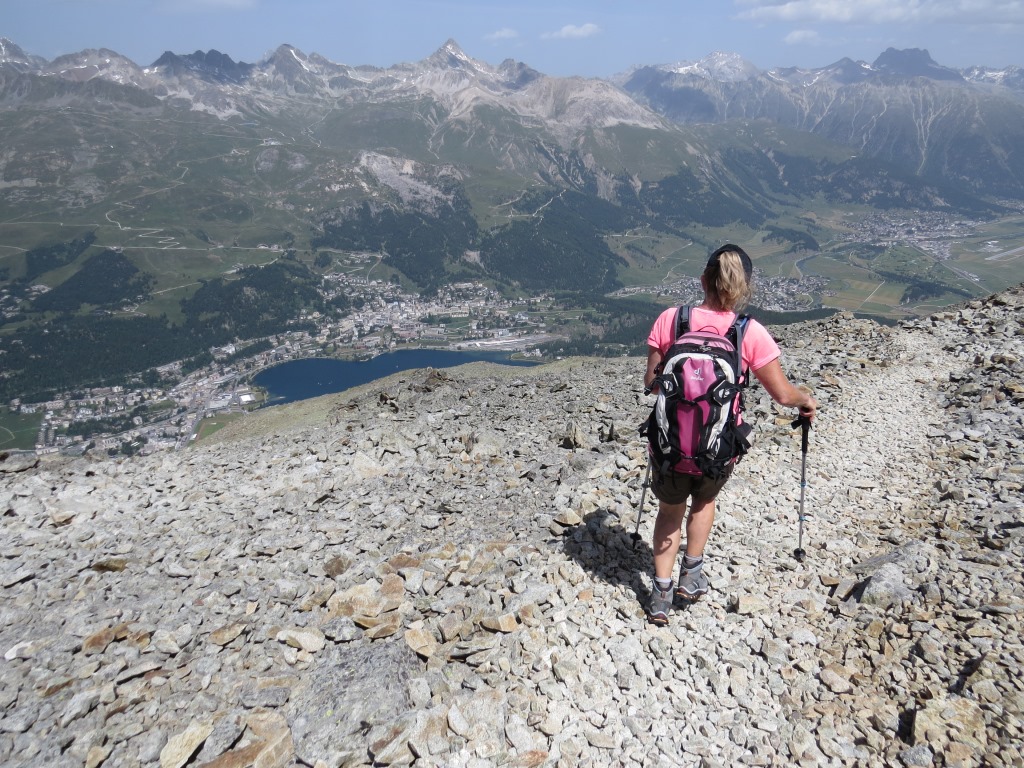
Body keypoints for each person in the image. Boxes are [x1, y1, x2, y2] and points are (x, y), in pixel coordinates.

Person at [643, 244, 817, 626]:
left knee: (669, 511)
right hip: (718, 446)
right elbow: (782, 395)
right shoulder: (749, 332)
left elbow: (652, 385)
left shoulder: (671, 320)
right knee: (703, 502)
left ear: (702, 280)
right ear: (743, 288)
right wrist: (805, 400)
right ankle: (691, 575)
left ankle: (659, 596)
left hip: (669, 444)